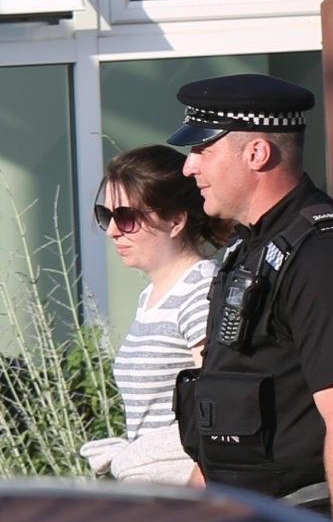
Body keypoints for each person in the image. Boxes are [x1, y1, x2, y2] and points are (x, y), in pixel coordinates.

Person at [168, 73, 333, 522]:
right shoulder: (251, 249)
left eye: (203, 150)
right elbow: (225, 405)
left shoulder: (327, 257)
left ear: (257, 153)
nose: (188, 168)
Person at [79, 145, 234, 484]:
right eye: (105, 216)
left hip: (185, 504)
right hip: (157, 496)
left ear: (176, 219)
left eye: (126, 217)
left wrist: (194, 498)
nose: (112, 231)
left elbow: (221, 413)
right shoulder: (152, 294)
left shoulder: (199, 289)